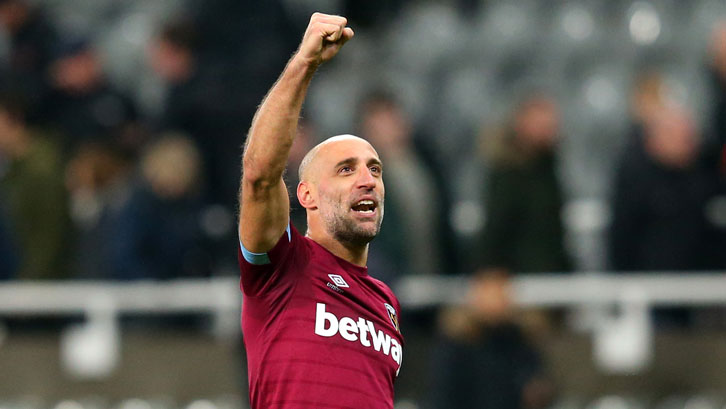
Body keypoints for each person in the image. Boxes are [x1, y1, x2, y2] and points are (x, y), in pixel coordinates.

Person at [238, 13, 403, 409]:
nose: (367, 179)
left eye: (374, 169)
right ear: (306, 195)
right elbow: (260, 176)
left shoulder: (387, 304)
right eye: (346, 169)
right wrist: (304, 64)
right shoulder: (283, 265)